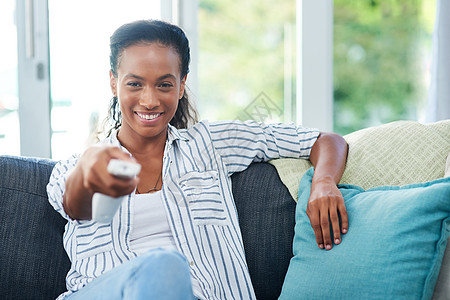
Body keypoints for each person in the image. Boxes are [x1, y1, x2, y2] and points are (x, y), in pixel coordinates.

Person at [47, 19, 348, 300]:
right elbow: (76, 206)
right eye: (135, 84)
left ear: (181, 84)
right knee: (164, 266)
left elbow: (323, 140)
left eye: (164, 84)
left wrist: (323, 182)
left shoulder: (211, 144)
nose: (149, 100)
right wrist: (88, 172)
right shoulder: (79, 164)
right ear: (114, 83)